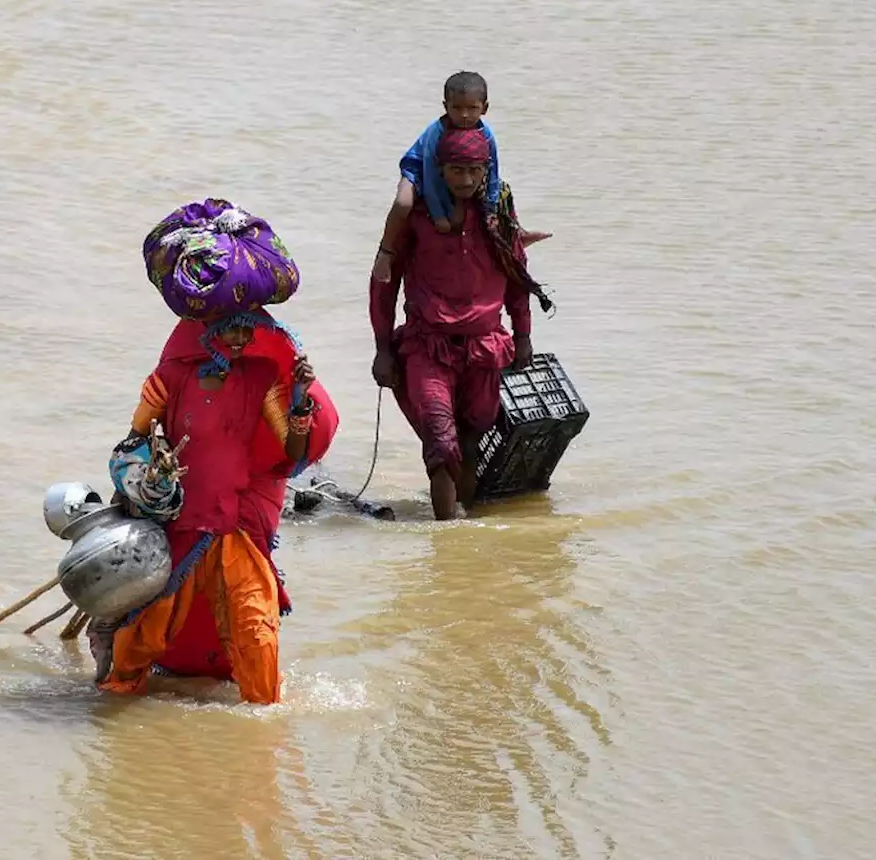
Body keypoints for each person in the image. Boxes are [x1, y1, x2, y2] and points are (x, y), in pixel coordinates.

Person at [92, 199, 336, 705]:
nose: (240, 337)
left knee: (256, 630)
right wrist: (144, 458)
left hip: (236, 534)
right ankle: (113, 704)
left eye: (249, 328)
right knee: (145, 635)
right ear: (207, 330)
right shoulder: (173, 375)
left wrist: (300, 403)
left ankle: (266, 722)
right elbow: (133, 445)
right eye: (231, 329)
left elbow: (290, 456)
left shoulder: (268, 381)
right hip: (181, 531)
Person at [368, 127, 553, 521]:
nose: (465, 180)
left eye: (473, 171)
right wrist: (383, 348)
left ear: (486, 170)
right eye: (455, 170)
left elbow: (517, 276)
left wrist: (523, 335)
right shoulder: (418, 215)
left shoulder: (498, 213)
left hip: (484, 345)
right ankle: (447, 538)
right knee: (439, 441)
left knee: (471, 439)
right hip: (427, 344)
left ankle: (462, 531)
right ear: (440, 168)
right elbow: (384, 284)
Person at [372, 71, 551, 283]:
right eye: (457, 108)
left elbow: (493, 170)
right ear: (445, 106)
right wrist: (439, 214)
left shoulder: (487, 135)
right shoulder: (436, 133)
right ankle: (385, 252)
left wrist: (491, 209)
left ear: (484, 108)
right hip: (420, 168)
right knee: (403, 202)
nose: (464, 115)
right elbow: (430, 174)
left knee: (503, 191)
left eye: (472, 108)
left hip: (462, 168)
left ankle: (516, 233)